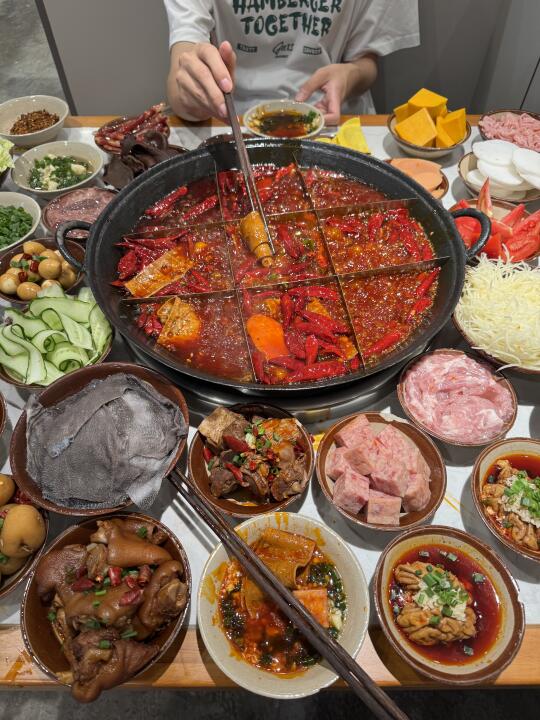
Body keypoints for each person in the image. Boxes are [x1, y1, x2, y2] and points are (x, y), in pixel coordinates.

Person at [164, 0, 419, 125]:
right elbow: (183, 63)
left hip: (334, 120)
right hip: (235, 120)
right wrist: (194, 97)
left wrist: (350, 75)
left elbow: (365, 62)